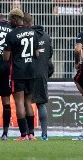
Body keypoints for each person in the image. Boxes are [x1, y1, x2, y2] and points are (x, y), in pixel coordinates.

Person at [3, 8, 40, 140]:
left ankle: (23, 134)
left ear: (14, 19)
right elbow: (37, 54)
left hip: (18, 72)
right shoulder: (32, 32)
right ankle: (31, 134)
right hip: (31, 71)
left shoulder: (11, 34)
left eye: (10, 19)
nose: (9, 21)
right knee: (28, 102)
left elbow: (6, 58)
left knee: (19, 102)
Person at [26, 13, 53, 141]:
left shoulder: (26, 36)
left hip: (27, 74)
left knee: (26, 104)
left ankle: (28, 133)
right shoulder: (46, 36)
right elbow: (50, 54)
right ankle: (44, 134)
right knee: (41, 104)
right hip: (42, 74)